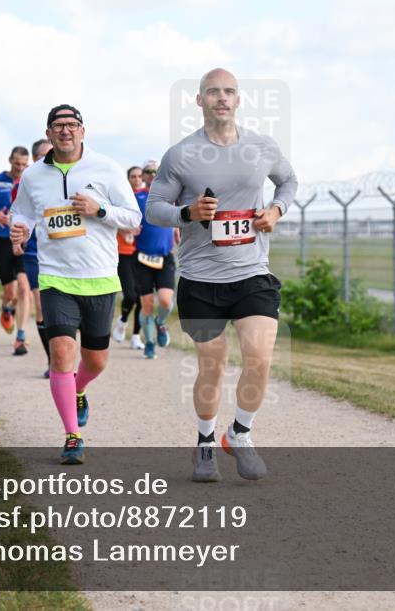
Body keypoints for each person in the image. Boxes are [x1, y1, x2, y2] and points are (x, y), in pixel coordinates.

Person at [146, 68, 298, 483]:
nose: (221, 98)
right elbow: (154, 207)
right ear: (199, 100)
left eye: (229, 91)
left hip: (251, 272)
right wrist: (187, 212)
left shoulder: (262, 146)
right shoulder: (181, 154)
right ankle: (205, 443)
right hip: (200, 278)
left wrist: (276, 211)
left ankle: (240, 433)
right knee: (213, 365)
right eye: (213, 92)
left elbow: (288, 182)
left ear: (239, 99)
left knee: (261, 358)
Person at [10, 104, 142, 464]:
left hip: (99, 277)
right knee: (62, 354)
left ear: (83, 131)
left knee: (96, 361)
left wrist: (99, 210)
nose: (65, 131)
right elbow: (22, 210)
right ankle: (72, 436)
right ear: (49, 133)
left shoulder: (107, 169)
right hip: (55, 277)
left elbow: (133, 217)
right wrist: (18, 228)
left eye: (72, 125)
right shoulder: (34, 175)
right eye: (58, 126)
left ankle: (79, 388)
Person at [10, 138, 53, 372]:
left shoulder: (69, 179)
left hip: (63, 252)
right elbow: (17, 216)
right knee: (41, 304)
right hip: (35, 252)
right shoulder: (24, 184)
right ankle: (52, 359)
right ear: (36, 160)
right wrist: (18, 239)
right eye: (45, 155)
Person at [0, 147, 30, 340]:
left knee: (24, 287)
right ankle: (6, 305)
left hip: (24, 240)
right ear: (10, 160)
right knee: (11, 291)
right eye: (17, 164)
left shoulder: (30, 181)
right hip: (2, 239)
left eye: (24, 165)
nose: (20, 168)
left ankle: (21, 335)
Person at [132, 162, 178, 359]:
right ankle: (149, 342)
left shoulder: (171, 197)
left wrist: (177, 227)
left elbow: (179, 216)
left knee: (166, 302)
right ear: (143, 176)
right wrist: (127, 228)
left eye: (156, 171)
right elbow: (123, 218)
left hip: (164, 256)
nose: (152, 174)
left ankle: (161, 322)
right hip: (142, 257)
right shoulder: (136, 197)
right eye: (148, 172)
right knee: (147, 305)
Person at [112, 166, 146, 350]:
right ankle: (123, 320)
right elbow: (108, 220)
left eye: (139, 176)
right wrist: (123, 228)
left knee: (142, 297)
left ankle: (135, 337)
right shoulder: (121, 199)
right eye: (133, 176)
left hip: (141, 252)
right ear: (128, 179)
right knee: (131, 295)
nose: (136, 179)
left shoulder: (145, 198)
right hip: (123, 253)